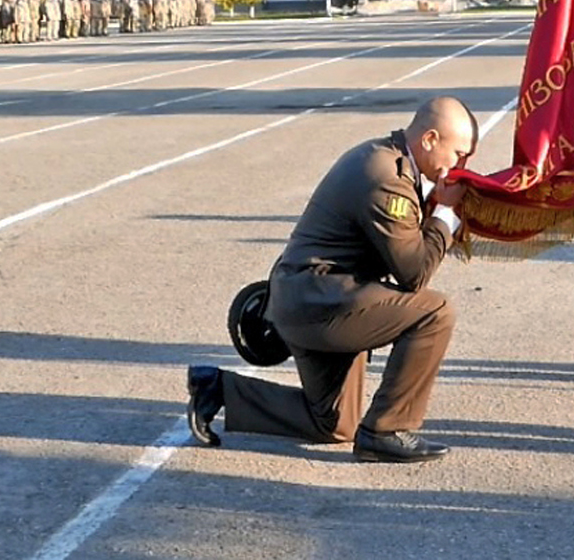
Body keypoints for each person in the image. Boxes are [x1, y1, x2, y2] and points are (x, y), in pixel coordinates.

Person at [186, 96, 478, 463]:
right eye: (459, 154)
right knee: (434, 312)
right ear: (430, 139)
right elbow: (413, 272)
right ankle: (386, 431)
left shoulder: (385, 158)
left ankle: (217, 390)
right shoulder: (387, 178)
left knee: (335, 423)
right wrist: (447, 215)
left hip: (310, 297)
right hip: (320, 303)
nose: (462, 166)